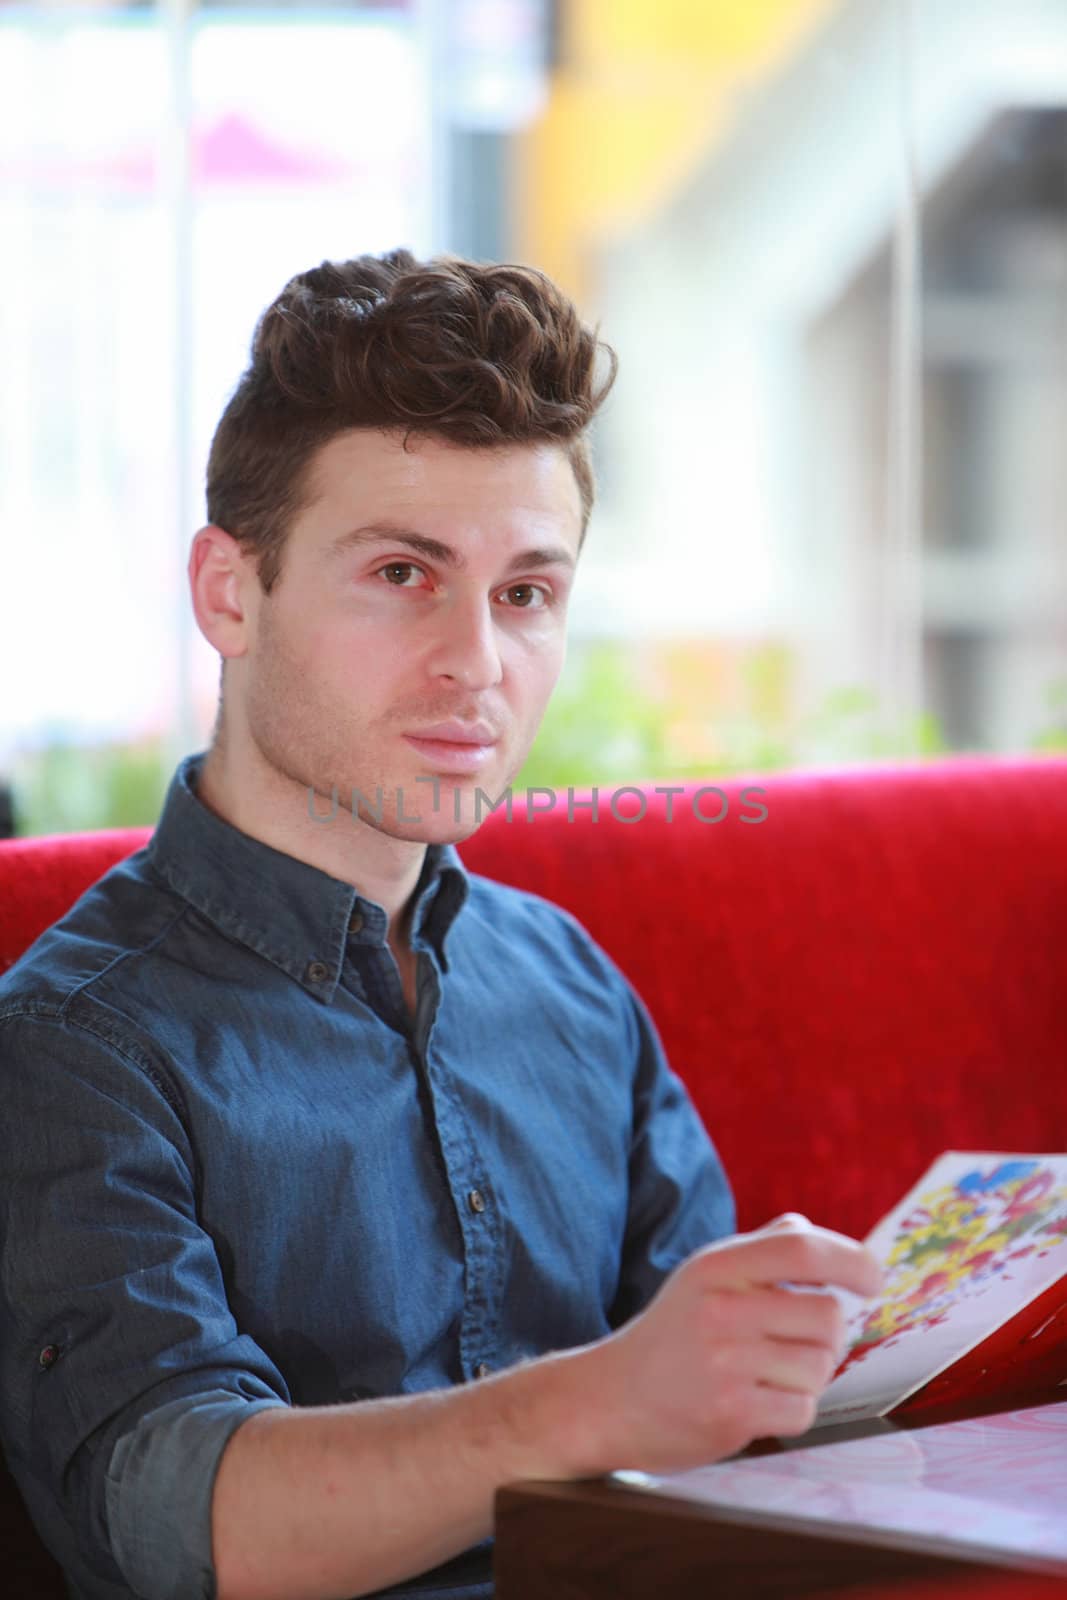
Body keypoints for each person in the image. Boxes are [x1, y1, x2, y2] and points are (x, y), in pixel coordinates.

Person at [0, 250, 882, 1600]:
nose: (477, 659)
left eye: (526, 592)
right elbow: (178, 1521)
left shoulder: (567, 985)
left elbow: (720, 1418)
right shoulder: (71, 1043)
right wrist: (603, 1400)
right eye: (406, 574)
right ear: (231, 594)